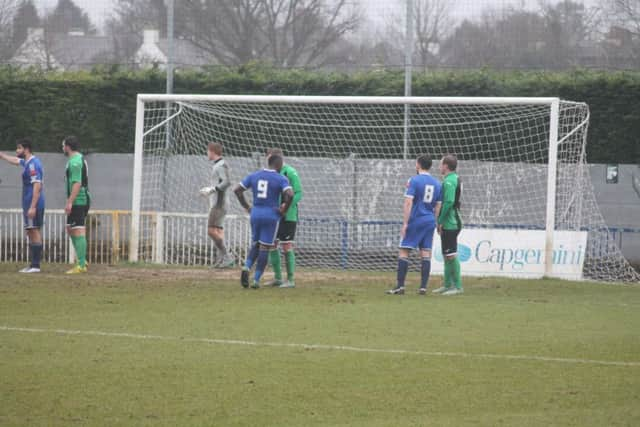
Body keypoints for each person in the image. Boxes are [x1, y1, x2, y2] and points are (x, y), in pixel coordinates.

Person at [234, 154, 293, 289]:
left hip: (255, 213)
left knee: (256, 244)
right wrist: (284, 209)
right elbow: (290, 194)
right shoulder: (280, 178)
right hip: (271, 214)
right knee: (265, 247)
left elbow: (237, 190)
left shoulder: (254, 175)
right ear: (279, 165)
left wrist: (247, 207)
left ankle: (246, 267)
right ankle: (256, 280)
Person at [387, 155, 442, 295]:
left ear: (418, 164)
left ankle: (400, 286)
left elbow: (408, 202)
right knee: (425, 252)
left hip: (416, 219)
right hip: (429, 220)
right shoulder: (437, 183)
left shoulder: (414, 180)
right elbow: (438, 205)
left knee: (404, 251)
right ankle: (423, 287)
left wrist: (405, 223)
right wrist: (434, 221)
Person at [0, 139, 45, 273]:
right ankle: (32, 265)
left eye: (19, 148)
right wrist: (2, 156)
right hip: (28, 202)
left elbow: (37, 185)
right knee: (30, 230)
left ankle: (36, 266)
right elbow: (16, 161)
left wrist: (32, 206)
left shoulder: (33, 164)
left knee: (34, 230)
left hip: (33, 202)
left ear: (26, 149)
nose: (17, 151)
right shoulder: (27, 162)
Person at [265, 148, 303, 288]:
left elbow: (298, 193)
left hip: (288, 216)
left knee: (286, 245)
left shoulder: (290, 172)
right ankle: (278, 278)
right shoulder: (270, 174)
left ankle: (291, 279)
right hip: (273, 216)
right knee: (272, 244)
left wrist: (285, 206)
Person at [199, 142, 235, 268]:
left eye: (207, 151)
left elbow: (227, 182)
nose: (207, 153)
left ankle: (227, 256)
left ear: (212, 151)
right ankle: (222, 260)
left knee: (210, 231)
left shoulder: (220, 165)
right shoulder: (219, 164)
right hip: (220, 202)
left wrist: (212, 189)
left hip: (219, 204)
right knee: (218, 231)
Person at [433, 154, 464, 295]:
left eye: (440, 164)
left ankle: (457, 287)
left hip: (451, 222)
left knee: (451, 254)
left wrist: (440, 220)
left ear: (446, 166)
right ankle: (447, 285)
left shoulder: (449, 182)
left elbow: (449, 202)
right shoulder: (452, 179)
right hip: (450, 221)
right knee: (447, 255)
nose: (439, 167)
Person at [62, 136, 91, 274]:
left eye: (63, 145)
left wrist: (70, 202)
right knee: (70, 228)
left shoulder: (75, 162)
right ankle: (82, 259)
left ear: (68, 146)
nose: (62, 148)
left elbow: (77, 183)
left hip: (79, 200)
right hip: (76, 200)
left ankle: (81, 265)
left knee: (78, 230)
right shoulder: (76, 159)